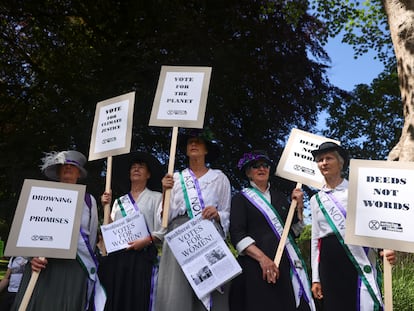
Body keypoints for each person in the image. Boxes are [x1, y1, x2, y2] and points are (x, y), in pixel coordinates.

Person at [12, 150, 105, 311]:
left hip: (74, 267)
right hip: (42, 265)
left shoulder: (89, 200)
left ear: (79, 174)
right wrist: (31, 257)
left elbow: (90, 237)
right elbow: (28, 228)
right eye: (64, 166)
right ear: (57, 172)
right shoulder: (40, 194)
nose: (68, 168)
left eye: (72, 166)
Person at [310, 142, 396, 311]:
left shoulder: (359, 189)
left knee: (361, 302)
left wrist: (385, 248)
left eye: (329, 158)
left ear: (341, 162)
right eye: (320, 160)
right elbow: (315, 239)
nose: (324, 163)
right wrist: (315, 278)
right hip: (329, 261)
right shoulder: (315, 200)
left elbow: (376, 222)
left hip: (357, 255)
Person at [154, 130, 232, 311]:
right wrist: (165, 192)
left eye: (198, 142)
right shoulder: (174, 178)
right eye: (190, 142)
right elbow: (163, 218)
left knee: (210, 287)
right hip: (179, 235)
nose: (193, 145)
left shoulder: (219, 178)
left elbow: (227, 212)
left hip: (209, 235)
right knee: (176, 289)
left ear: (207, 149)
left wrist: (218, 214)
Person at [229, 150, 315, 311]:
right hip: (255, 266)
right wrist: (263, 260)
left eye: (265, 165)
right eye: (256, 166)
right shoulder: (240, 199)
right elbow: (237, 235)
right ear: (248, 173)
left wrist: (299, 207)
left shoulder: (280, 197)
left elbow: (294, 232)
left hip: (283, 265)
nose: (261, 169)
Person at [100, 151, 165, 311]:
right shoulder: (118, 201)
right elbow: (110, 229)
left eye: (141, 167)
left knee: (138, 299)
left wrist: (146, 240)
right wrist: (105, 207)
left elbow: (162, 229)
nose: (136, 169)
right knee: (117, 298)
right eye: (133, 167)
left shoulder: (157, 198)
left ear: (148, 174)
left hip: (143, 257)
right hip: (119, 258)